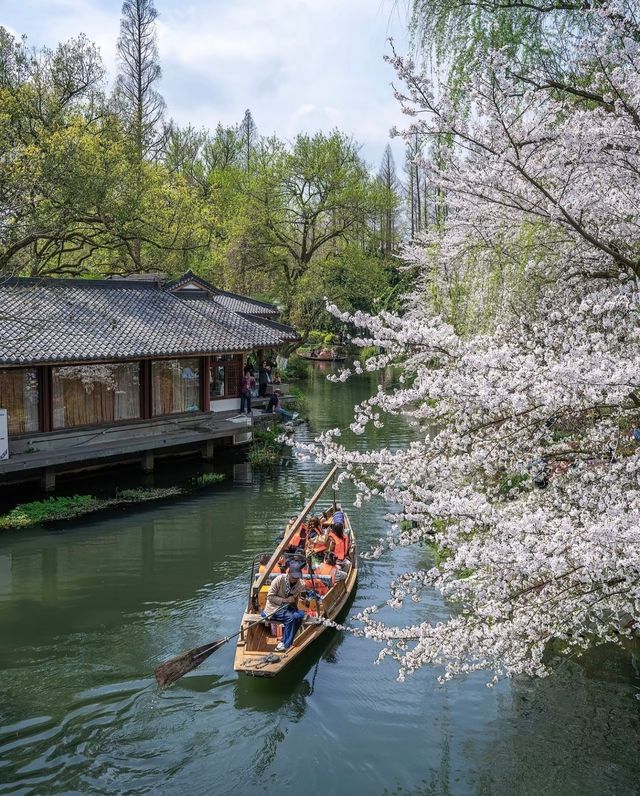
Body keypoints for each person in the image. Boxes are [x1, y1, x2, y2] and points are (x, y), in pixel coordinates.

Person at [263, 560, 307, 651]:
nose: (295, 579)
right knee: (291, 618)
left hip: (288, 608)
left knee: (300, 616)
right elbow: (270, 597)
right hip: (273, 608)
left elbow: (302, 597)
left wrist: (304, 600)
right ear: (289, 573)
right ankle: (285, 644)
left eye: (297, 577)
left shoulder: (301, 584)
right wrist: (285, 600)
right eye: (293, 577)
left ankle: (284, 641)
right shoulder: (279, 580)